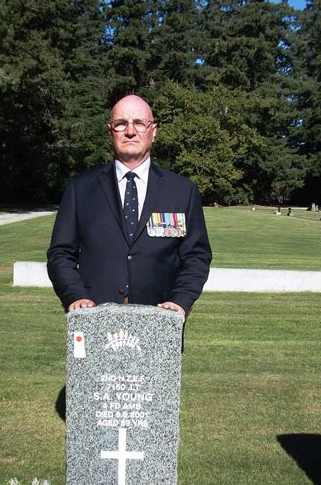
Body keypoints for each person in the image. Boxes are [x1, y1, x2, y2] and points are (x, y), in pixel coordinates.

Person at [47, 95, 212, 321]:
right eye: (121, 124)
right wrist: (74, 296)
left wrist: (180, 301)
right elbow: (60, 254)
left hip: (160, 320)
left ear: (153, 131)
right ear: (110, 131)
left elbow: (196, 256)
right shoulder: (81, 188)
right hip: (93, 318)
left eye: (139, 123)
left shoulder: (182, 192)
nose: (130, 131)